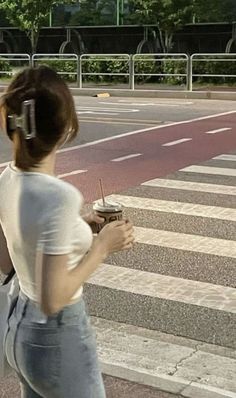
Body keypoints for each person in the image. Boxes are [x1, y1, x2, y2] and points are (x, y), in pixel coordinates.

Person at [0, 65, 134, 398]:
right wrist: (101, 245)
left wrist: (78, 228)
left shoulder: (6, 178)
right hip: (59, 340)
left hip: (17, 333)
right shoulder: (59, 196)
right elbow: (53, 299)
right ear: (65, 128)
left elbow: (8, 262)